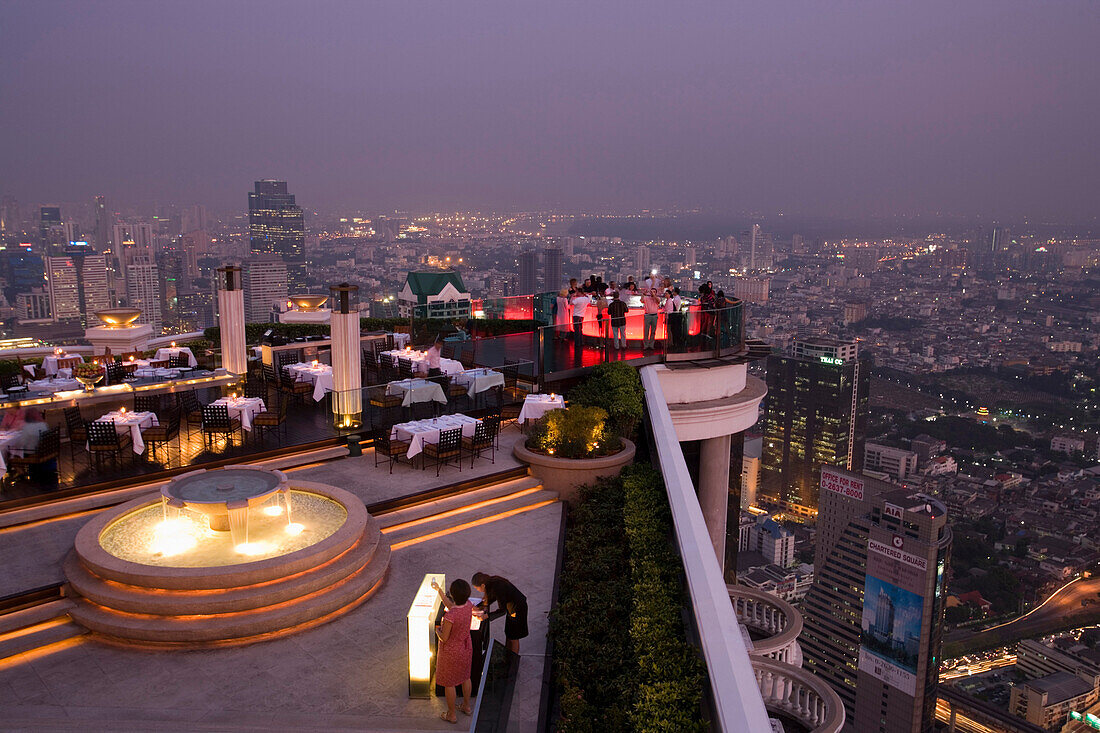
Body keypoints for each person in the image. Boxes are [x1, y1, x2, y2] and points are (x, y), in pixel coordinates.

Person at [431, 578, 474, 724]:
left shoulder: (450, 616)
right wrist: (439, 591)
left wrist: (437, 630)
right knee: (465, 677)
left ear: (454, 595)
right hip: (466, 646)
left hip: (451, 651)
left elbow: (444, 637)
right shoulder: (469, 605)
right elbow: (452, 606)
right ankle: (467, 707)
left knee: (450, 683)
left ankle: (451, 714)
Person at [471, 572, 528, 654]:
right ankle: (507, 655)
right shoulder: (492, 582)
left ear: (483, 585)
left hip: (517, 608)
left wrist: (486, 616)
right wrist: (481, 606)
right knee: (509, 633)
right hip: (512, 608)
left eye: (477, 588)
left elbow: (502, 610)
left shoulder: (498, 587)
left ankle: (513, 661)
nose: (477, 590)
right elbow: (491, 598)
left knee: (514, 637)